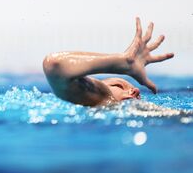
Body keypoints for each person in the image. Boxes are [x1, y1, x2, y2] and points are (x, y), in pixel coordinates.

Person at [43, 17, 174, 106]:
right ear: (83, 90)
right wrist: (122, 61)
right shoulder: (95, 100)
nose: (136, 91)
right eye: (118, 86)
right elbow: (54, 65)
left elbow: (53, 65)